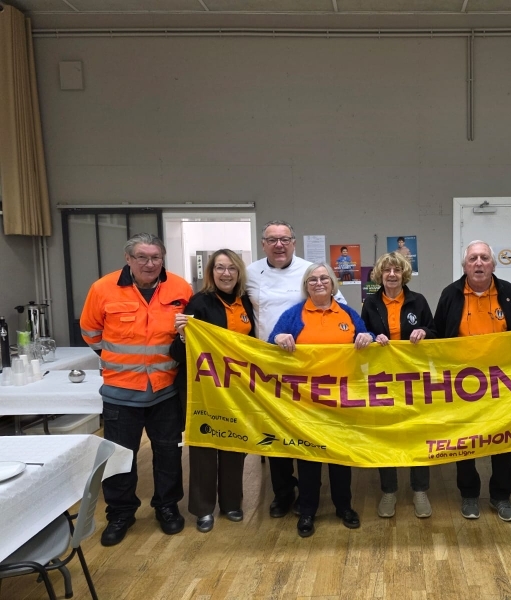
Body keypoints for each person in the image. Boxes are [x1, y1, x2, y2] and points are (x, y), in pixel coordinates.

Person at [80, 233, 192, 546]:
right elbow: (90, 332)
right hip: (120, 392)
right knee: (118, 457)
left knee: (168, 453)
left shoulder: (180, 288)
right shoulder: (103, 288)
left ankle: (167, 507)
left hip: (165, 390)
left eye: (155, 257)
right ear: (128, 259)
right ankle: (120, 513)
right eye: (142, 257)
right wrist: (117, 359)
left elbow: (188, 332)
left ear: (163, 259)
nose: (149, 263)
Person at [246, 220, 346, 519]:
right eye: (272, 240)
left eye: (285, 239)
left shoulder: (309, 271)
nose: (279, 245)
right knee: (276, 434)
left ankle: (309, 494)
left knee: (305, 434)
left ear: (293, 242)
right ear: (263, 244)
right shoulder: (250, 273)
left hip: (307, 371)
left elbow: (338, 307)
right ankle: (282, 493)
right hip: (269, 367)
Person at [269, 262, 374, 537]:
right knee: (308, 459)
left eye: (324, 278)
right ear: (306, 285)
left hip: (341, 399)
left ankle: (344, 507)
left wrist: (368, 336)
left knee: (340, 457)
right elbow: (269, 343)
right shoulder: (294, 314)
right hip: (306, 402)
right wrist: (279, 337)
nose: (319, 283)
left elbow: (368, 337)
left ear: (332, 284)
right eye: (313, 279)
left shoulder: (348, 313)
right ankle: (307, 511)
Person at [433, 240, 511, 522]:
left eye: (484, 258)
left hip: (503, 382)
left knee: (502, 438)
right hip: (462, 383)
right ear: (464, 266)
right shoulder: (450, 294)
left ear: (493, 265)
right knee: (465, 439)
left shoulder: (509, 293)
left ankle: (501, 496)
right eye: (473, 258)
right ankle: (469, 494)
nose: (479, 263)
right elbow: (437, 334)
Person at [170, 249, 255, 533]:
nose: (226, 273)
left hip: (237, 387)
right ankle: (203, 509)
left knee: (235, 444)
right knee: (204, 447)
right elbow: (176, 353)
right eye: (220, 268)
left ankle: (232, 503)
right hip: (204, 389)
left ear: (239, 272)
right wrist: (183, 336)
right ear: (211, 272)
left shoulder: (246, 302)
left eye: (231, 268)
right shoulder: (200, 302)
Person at [361, 252, 436, 519]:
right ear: (379, 275)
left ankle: (420, 490)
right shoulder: (370, 303)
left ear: (404, 274)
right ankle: (389, 491)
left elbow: (435, 331)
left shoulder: (418, 301)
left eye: (396, 270)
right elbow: (362, 333)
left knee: (417, 432)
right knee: (387, 434)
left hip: (414, 378)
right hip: (383, 379)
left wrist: (424, 332)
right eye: (387, 270)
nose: (391, 274)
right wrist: (372, 337)